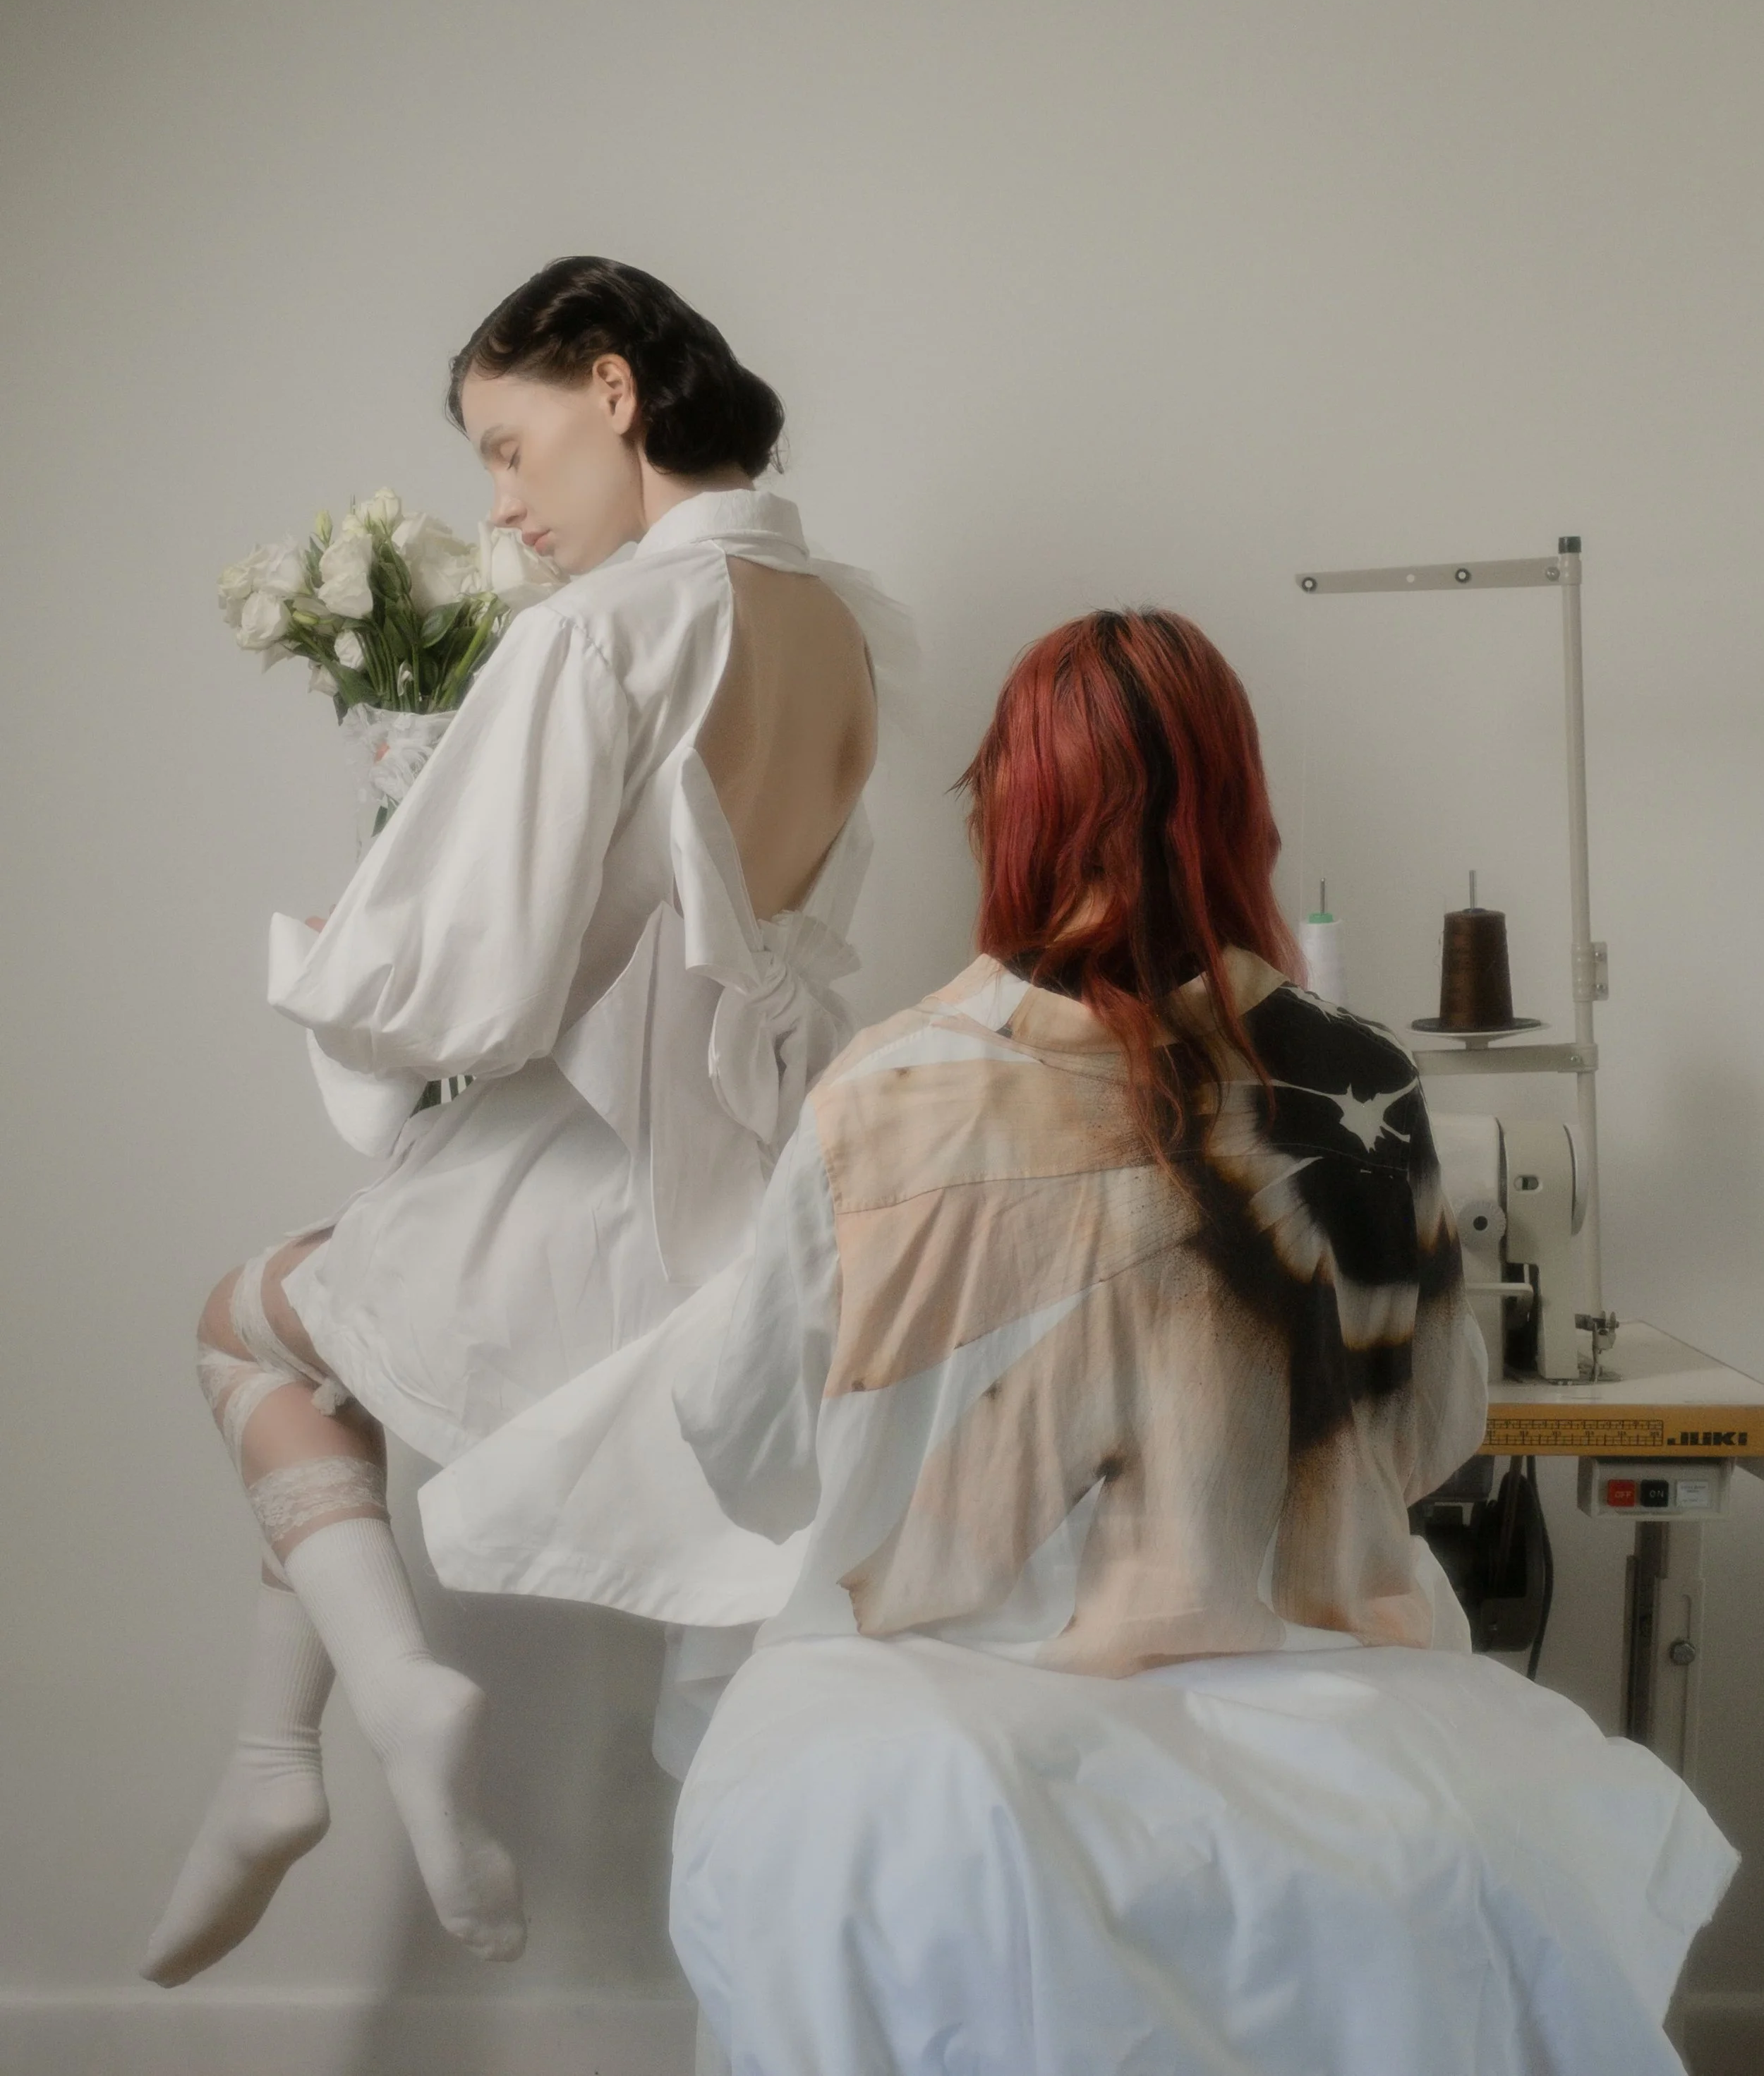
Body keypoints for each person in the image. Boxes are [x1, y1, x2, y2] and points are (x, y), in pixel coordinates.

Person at [667, 610, 1736, 2075]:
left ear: (1010, 805)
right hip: (1346, 1739)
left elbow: (737, 1436)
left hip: (940, 1734)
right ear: (1240, 801)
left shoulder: (885, 1088)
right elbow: (1430, 1433)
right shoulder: (1362, 1078)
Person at [143, 258, 891, 1985]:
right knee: (313, 1351)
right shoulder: (841, 618)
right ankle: (282, 1767)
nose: (499, 502)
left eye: (509, 443)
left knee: (245, 1334)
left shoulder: (600, 633)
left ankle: (382, 1709)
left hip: (601, 1191)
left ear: (614, 393)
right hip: (769, 1205)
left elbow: (463, 995)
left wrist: (333, 940)